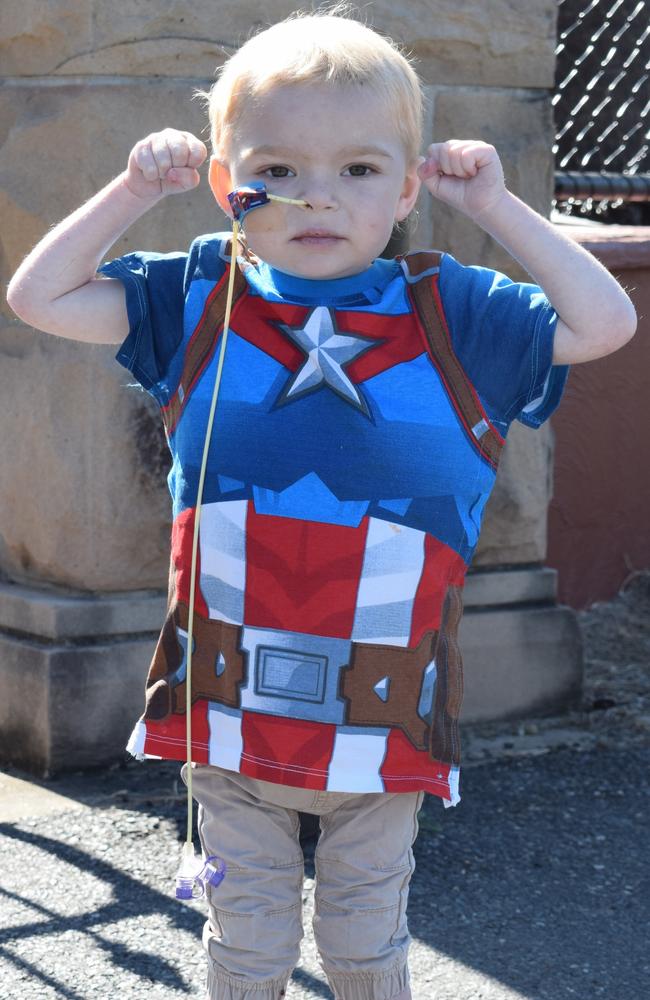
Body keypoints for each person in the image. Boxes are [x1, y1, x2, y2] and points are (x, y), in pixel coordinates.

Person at [7, 10, 636, 1000]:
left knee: (361, 946)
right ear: (227, 185)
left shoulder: (453, 310)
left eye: (355, 169)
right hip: (225, 713)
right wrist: (132, 191)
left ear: (403, 185)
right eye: (278, 169)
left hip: (382, 718)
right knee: (243, 948)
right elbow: (39, 297)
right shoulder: (199, 299)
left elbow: (602, 322)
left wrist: (501, 210)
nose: (315, 196)